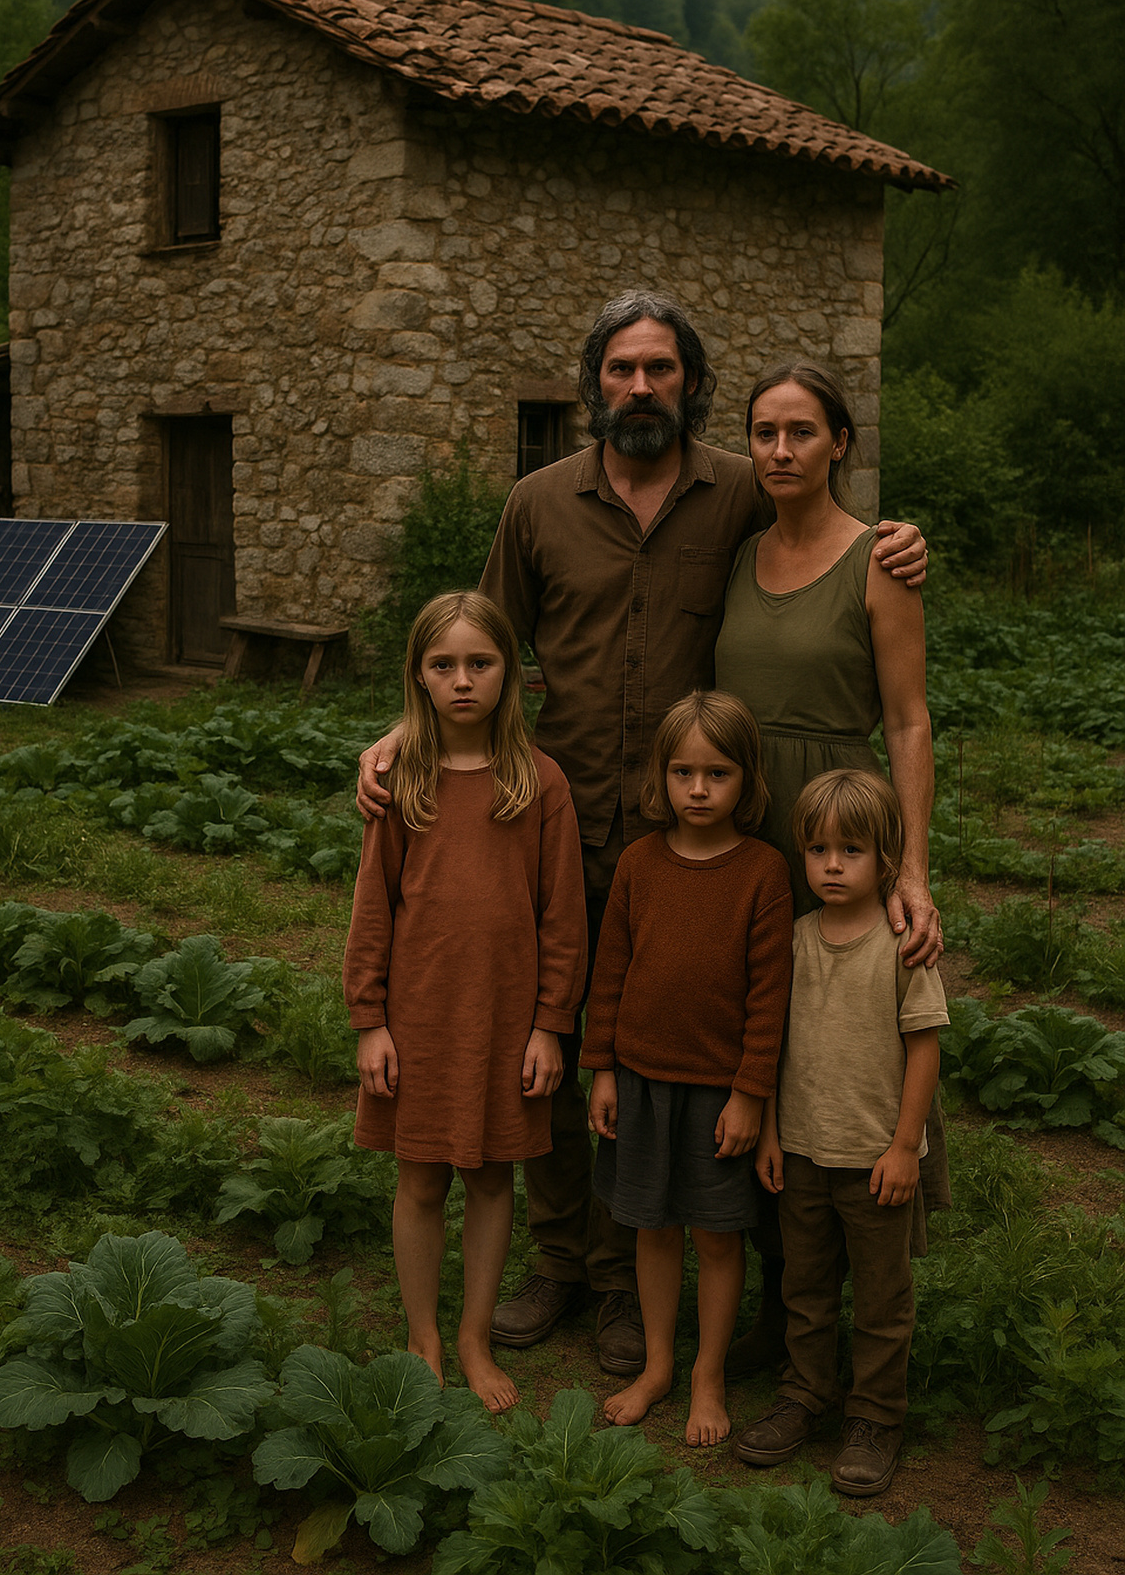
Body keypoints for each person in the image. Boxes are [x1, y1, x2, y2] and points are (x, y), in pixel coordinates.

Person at [358, 290, 928, 1376]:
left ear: (691, 385)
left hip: (695, 837)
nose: (639, 388)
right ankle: (564, 1258)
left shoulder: (737, 500)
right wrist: (396, 734)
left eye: (660, 369)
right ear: (592, 386)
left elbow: (827, 536)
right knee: (558, 1054)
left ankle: (641, 1275)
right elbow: (470, 642)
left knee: (684, 1054)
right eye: (620, 369)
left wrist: (903, 538)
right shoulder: (537, 504)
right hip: (553, 823)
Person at [714, 358, 943, 1375]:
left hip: (837, 831)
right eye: (764, 432)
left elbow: (907, 719)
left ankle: (872, 1295)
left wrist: (912, 869)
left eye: (803, 431)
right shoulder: (737, 552)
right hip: (748, 826)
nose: (781, 449)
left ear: (840, 443)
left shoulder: (880, 561)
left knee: (851, 1046)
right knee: (764, 1052)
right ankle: (780, 1296)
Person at [343, 590, 586, 1412]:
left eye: (479, 663)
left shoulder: (539, 783)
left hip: (505, 1023)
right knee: (419, 1182)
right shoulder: (400, 780)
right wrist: (370, 1022)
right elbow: (372, 908)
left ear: (510, 675)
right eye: (443, 666)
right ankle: (424, 1336)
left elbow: (563, 917)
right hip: (418, 1021)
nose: (462, 681)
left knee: (489, 1181)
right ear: (418, 677)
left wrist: (551, 1026)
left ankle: (477, 1337)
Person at [582, 692, 792, 1446]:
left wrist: (750, 1095)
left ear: (747, 780)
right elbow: (608, 973)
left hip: (719, 1094)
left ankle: (709, 1374)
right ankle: (659, 1366)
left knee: (717, 1235)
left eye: (717, 773)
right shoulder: (639, 863)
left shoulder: (763, 872)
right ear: (660, 778)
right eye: (682, 772)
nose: (698, 790)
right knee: (652, 1228)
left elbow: (771, 999)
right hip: (639, 1082)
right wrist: (600, 1068)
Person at [737, 769, 948, 1497]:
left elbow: (925, 1047)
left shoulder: (901, 947)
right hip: (799, 1152)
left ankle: (877, 1414)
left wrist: (902, 1147)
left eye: (851, 850)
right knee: (805, 1285)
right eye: (819, 849)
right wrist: (767, 1132)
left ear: (887, 860)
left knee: (883, 1299)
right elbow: (769, 1044)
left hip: (873, 1160)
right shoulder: (793, 940)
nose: (832, 864)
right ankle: (806, 1393)